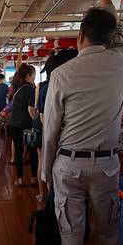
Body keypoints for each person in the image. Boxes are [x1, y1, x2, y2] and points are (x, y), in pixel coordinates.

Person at [41, 0, 123, 245]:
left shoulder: (61, 74)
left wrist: (45, 174)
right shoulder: (122, 61)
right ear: (111, 37)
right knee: (108, 233)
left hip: (68, 165)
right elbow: (115, 23)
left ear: (80, 37)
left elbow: (51, 130)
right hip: (106, 165)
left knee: (71, 235)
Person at [36, 50, 78, 202]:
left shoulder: (44, 88)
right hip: (69, 141)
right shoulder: (74, 86)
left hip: (55, 137)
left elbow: (43, 117)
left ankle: (46, 194)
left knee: (44, 162)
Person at [8, 64, 38, 187]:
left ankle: (20, 179)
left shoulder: (17, 87)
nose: (34, 78)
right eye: (34, 75)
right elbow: (31, 110)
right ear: (28, 76)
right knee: (32, 151)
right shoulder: (30, 90)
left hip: (14, 124)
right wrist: (38, 120)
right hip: (27, 126)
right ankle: (34, 178)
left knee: (19, 152)